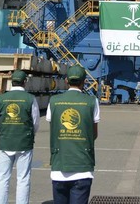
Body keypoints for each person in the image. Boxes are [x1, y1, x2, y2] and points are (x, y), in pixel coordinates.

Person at [47, 65, 100, 204]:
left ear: (66, 80)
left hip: (59, 167)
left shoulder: (54, 101)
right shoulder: (92, 101)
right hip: (83, 167)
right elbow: (93, 134)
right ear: (84, 81)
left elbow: (54, 128)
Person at [0, 69, 40, 204]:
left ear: (11, 81)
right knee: (23, 178)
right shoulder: (30, 99)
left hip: (6, 141)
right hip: (24, 142)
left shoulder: (0, 99)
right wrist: (29, 134)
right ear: (24, 82)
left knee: (3, 178)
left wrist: (5, 132)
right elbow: (35, 122)